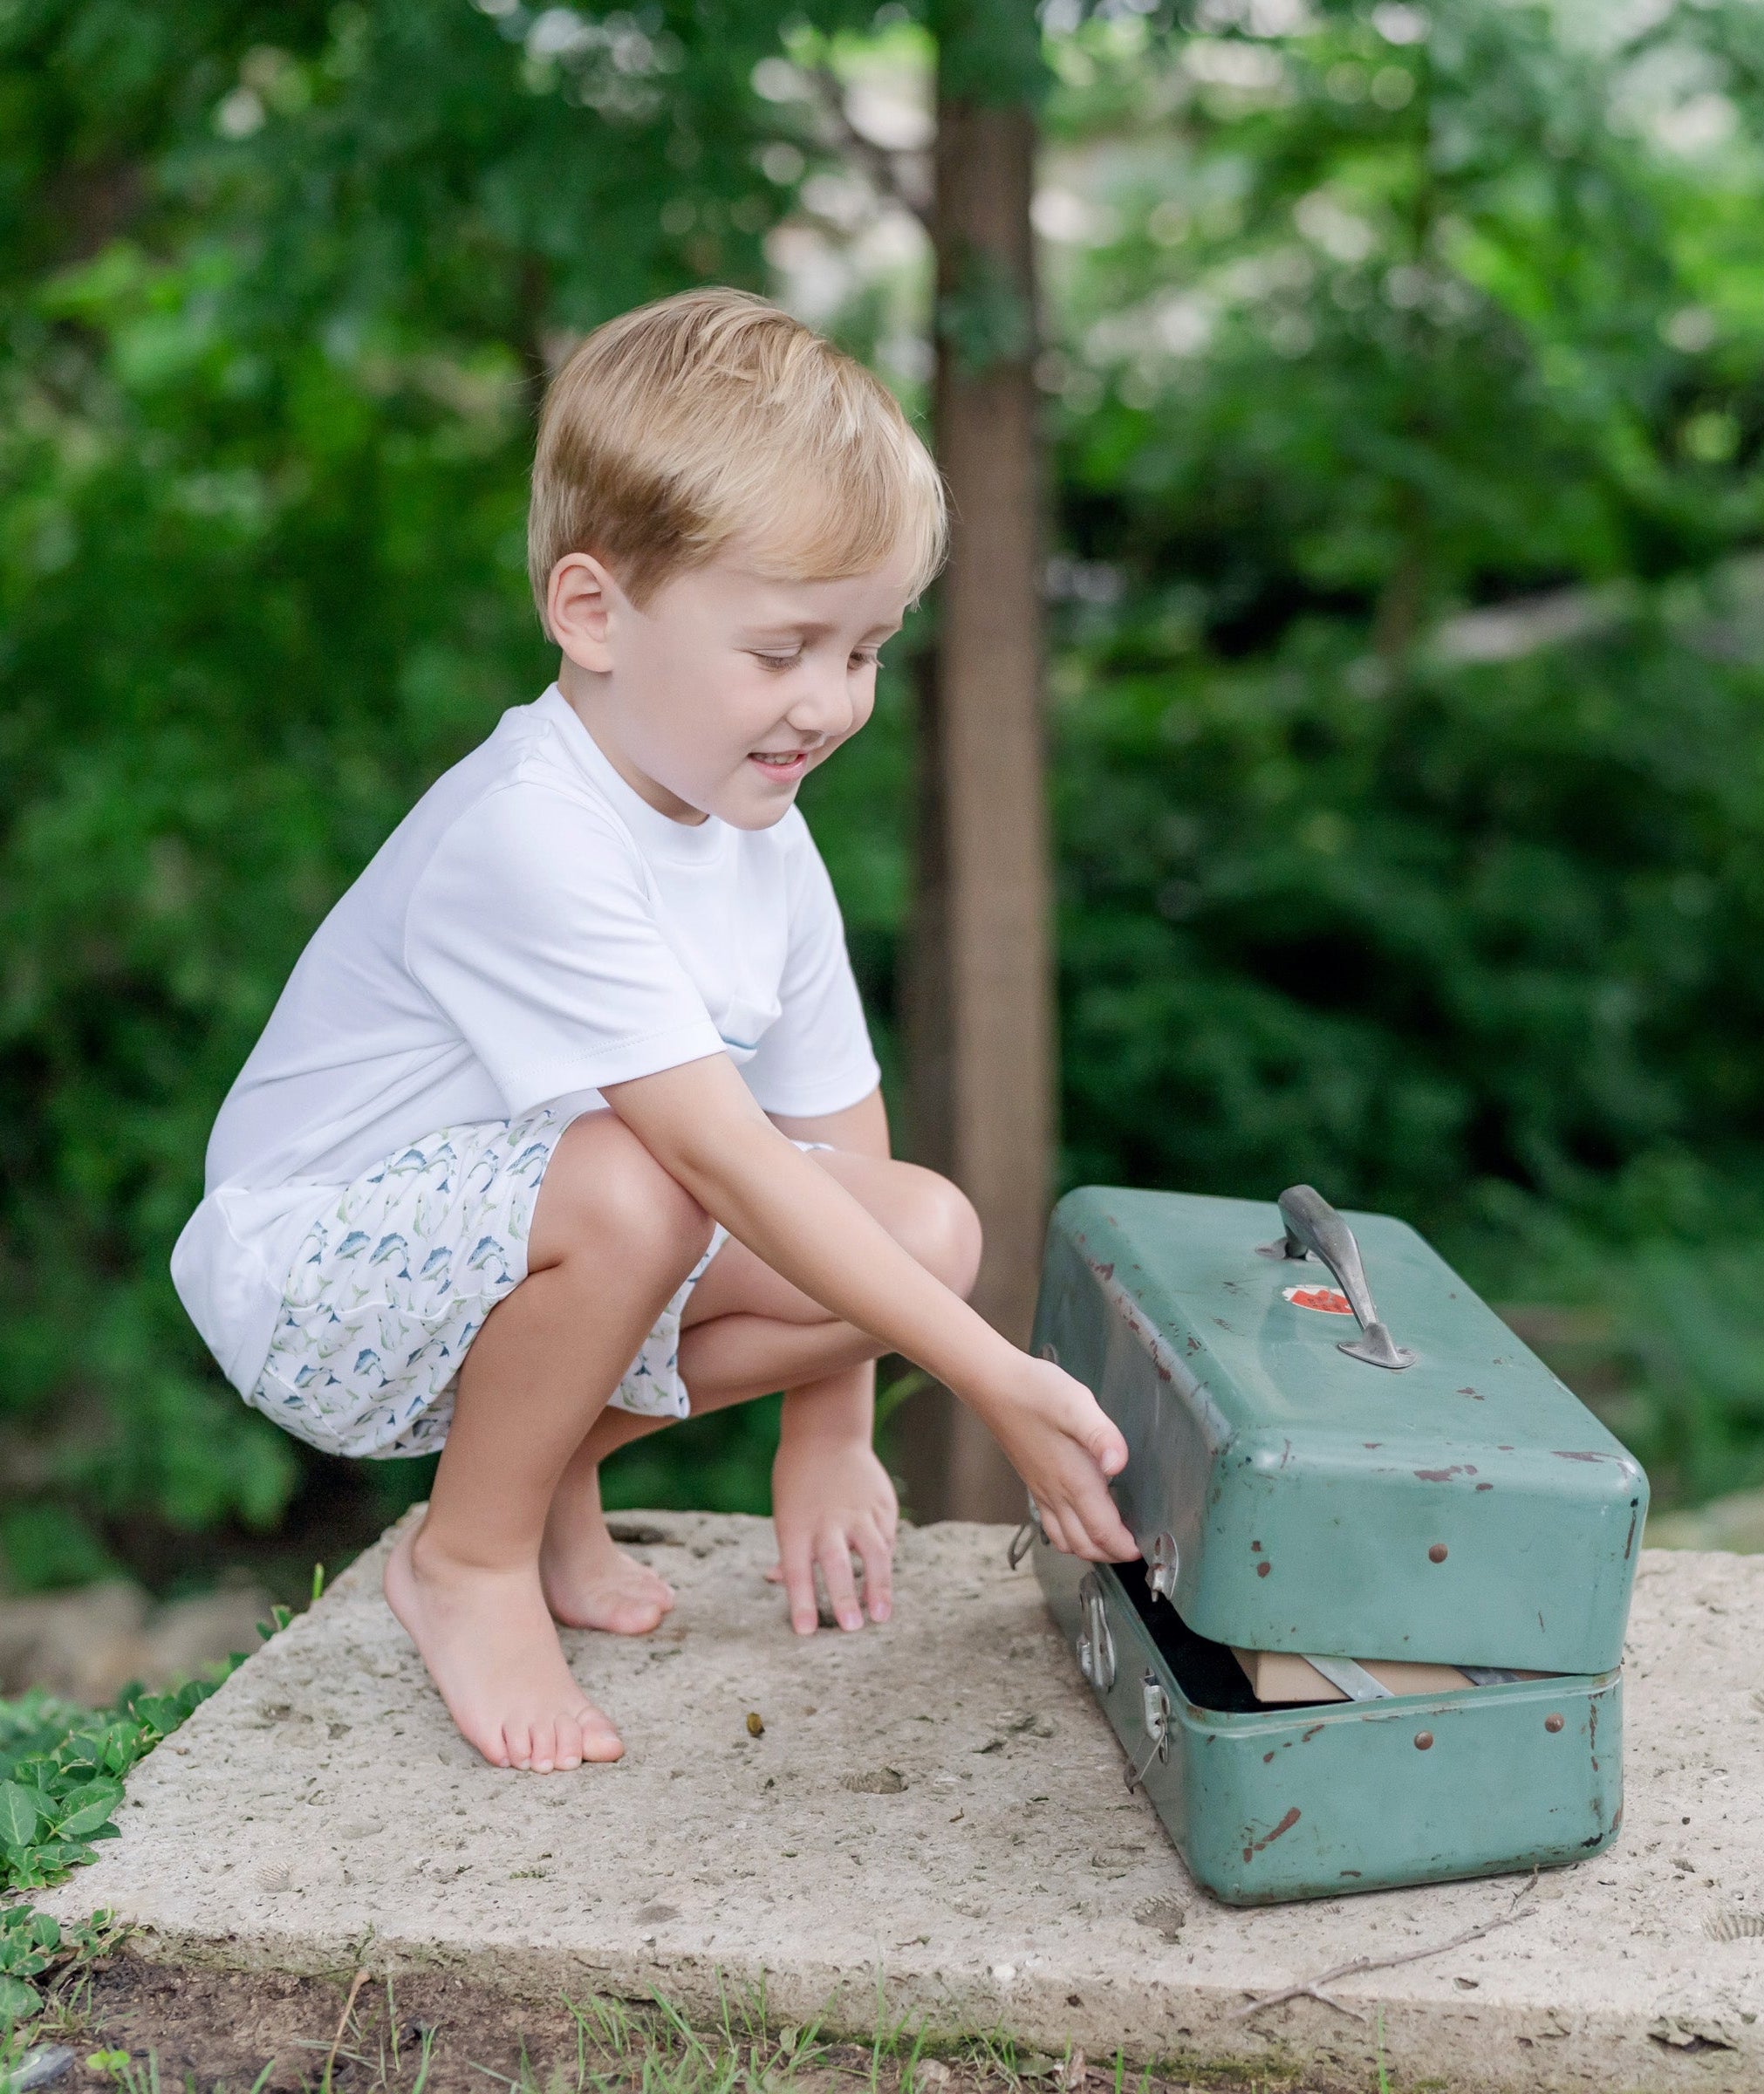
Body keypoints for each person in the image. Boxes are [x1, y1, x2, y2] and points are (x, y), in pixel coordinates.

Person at [171, 287, 1139, 1776]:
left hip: (531, 1240)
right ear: (592, 612)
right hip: (321, 1276)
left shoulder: (765, 834)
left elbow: (830, 1142)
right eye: (781, 649)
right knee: (642, 1174)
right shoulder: (533, 831)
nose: (827, 702)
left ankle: (545, 1473)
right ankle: (468, 1560)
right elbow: (721, 1157)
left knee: (924, 1228)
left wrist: (831, 1434)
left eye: (867, 649)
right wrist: (993, 1380)